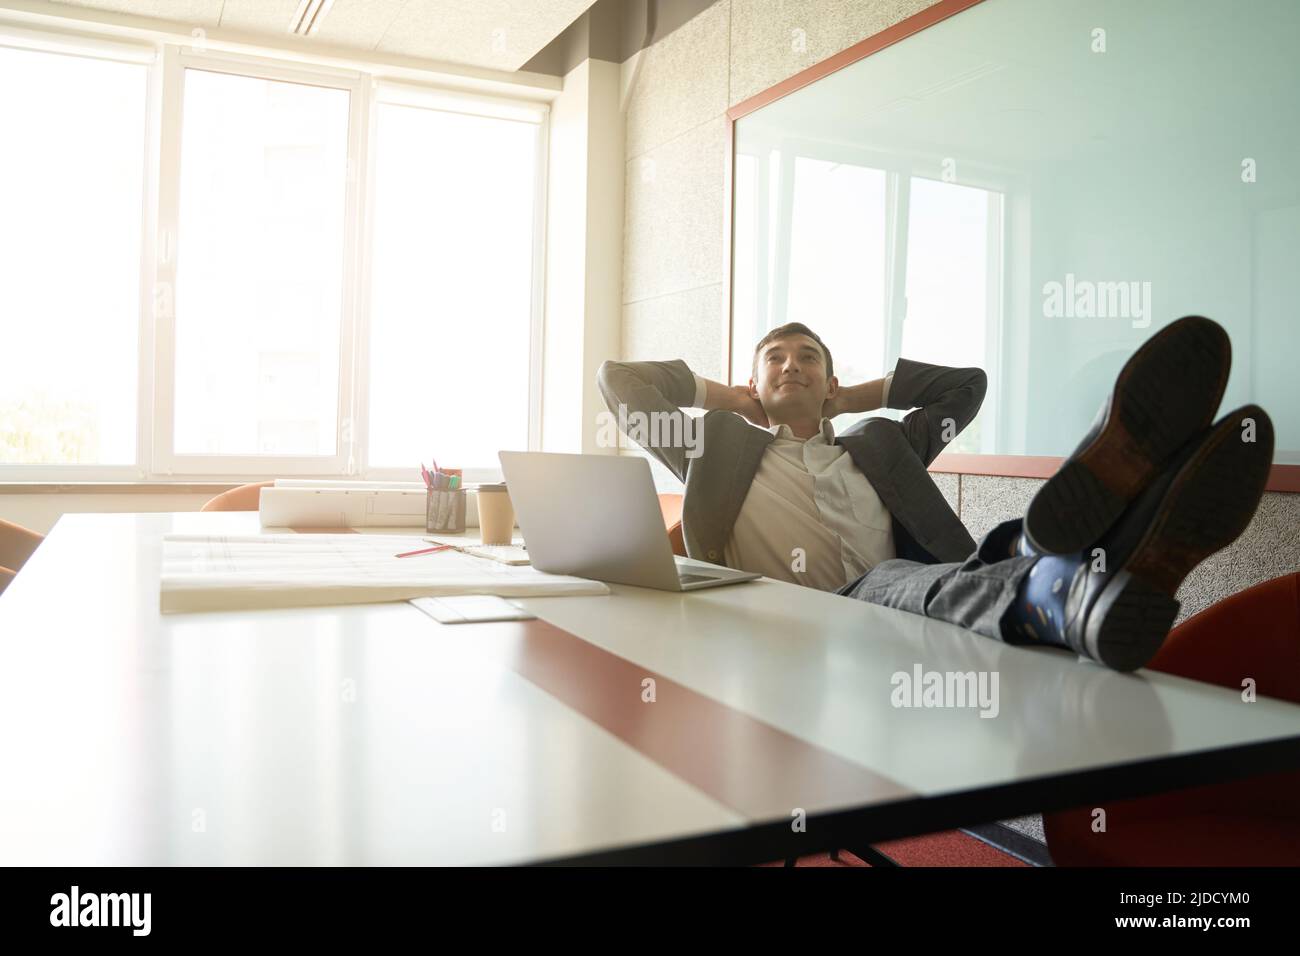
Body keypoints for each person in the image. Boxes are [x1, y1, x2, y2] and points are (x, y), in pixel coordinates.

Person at [596, 315, 1273, 672]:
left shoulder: (881, 445)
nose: (790, 365)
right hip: (768, 624)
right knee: (901, 576)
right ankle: (1081, 565)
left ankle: (1084, 576)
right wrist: (726, 397)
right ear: (751, 383)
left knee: (928, 576)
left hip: (888, 614)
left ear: (832, 383)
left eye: (807, 358)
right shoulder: (712, 447)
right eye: (774, 359)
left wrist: (854, 396)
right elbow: (620, 382)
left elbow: (965, 387)